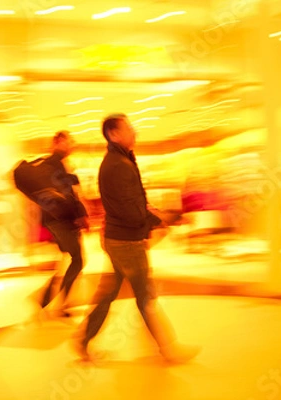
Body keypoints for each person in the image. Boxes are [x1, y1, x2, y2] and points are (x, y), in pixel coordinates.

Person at [72, 114, 201, 363]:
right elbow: (129, 210)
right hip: (127, 242)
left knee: (109, 294)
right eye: (129, 128)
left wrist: (155, 216)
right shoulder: (119, 165)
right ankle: (168, 348)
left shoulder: (119, 160)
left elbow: (132, 204)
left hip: (119, 239)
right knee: (145, 297)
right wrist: (157, 220)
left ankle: (83, 340)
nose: (135, 132)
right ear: (114, 134)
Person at [37, 131, 89, 318]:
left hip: (55, 220)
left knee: (67, 260)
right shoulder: (55, 164)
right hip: (62, 220)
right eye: (69, 142)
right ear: (58, 142)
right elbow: (67, 195)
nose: (72, 145)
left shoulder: (51, 164)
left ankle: (45, 299)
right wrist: (80, 216)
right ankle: (60, 302)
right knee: (78, 259)